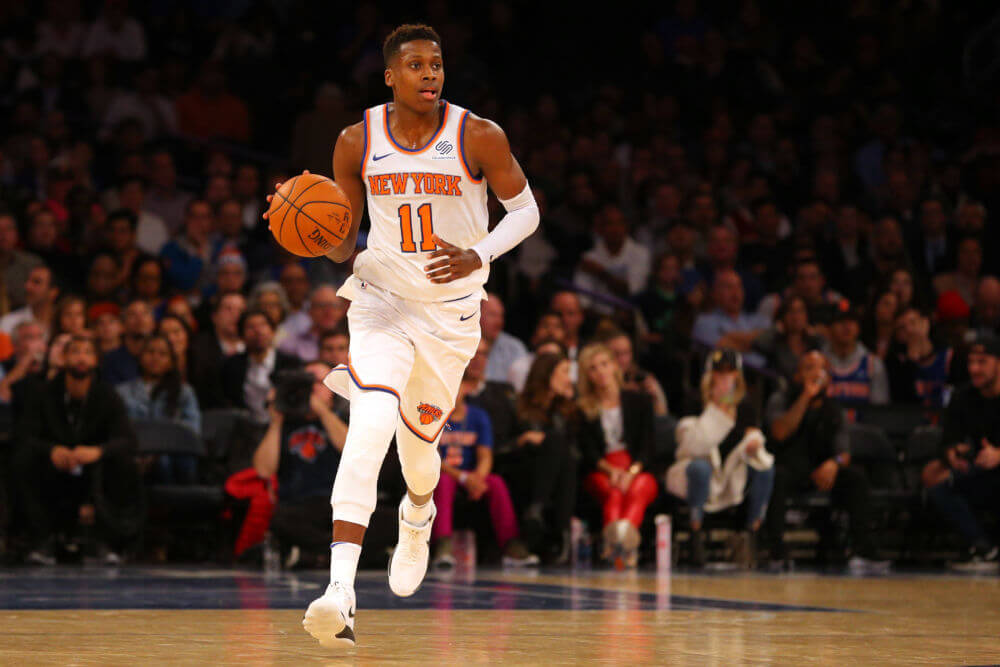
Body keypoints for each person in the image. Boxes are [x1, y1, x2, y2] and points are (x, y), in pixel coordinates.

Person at [270, 24, 540, 648]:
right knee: (370, 421)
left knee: (420, 455)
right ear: (390, 75)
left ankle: (417, 514)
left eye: (436, 64)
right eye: (416, 65)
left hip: (450, 315)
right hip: (381, 299)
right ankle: (340, 591)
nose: (429, 74)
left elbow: (526, 210)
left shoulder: (478, 134)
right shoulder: (356, 140)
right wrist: (303, 222)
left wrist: (479, 253)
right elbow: (343, 240)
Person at [12, 335, 140, 565]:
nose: (81, 358)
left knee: (122, 462)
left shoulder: (107, 395)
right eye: (75, 351)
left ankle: (102, 541)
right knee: (23, 459)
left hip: (92, 467)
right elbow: (23, 436)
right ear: (63, 358)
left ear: (96, 361)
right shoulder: (43, 393)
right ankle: (42, 540)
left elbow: (127, 439)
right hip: (52, 466)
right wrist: (51, 450)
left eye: (88, 352)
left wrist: (98, 451)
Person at [764, 351, 890, 574]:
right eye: (809, 368)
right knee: (775, 476)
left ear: (829, 378)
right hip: (789, 469)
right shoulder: (781, 399)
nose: (816, 374)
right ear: (797, 376)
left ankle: (863, 551)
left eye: (822, 369)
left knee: (856, 478)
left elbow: (844, 453)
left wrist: (834, 463)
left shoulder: (834, 409)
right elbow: (780, 432)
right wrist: (805, 397)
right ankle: (776, 552)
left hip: (821, 472)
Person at [666, 349, 774, 568]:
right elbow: (692, 445)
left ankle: (750, 535)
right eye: (719, 372)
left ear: (737, 375)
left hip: (733, 471)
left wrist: (753, 444)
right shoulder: (695, 401)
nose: (724, 377)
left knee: (765, 469)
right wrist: (717, 411)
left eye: (729, 371)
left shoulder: (745, 406)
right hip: (700, 467)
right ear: (710, 374)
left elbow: (752, 435)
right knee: (700, 468)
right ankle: (695, 535)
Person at [431, 371, 538, 569]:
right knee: (443, 481)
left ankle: (511, 544)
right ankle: (443, 545)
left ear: (466, 387)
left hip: (473, 476)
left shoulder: (478, 416)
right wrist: (464, 478)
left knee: (496, 482)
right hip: (446, 474)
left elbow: (485, 455)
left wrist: (477, 480)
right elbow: (433, 459)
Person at [252, 362, 349, 568]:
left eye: (319, 383)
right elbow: (263, 470)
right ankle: (339, 555)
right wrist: (276, 421)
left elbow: (351, 449)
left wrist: (323, 413)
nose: (313, 389)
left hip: (338, 505)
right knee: (278, 520)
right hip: (298, 506)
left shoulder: (342, 419)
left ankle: (311, 556)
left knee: (389, 520)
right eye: (307, 384)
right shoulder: (283, 425)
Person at [922, 334, 1000, 571]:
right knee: (936, 480)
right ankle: (984, 548)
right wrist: (952, 454)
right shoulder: (963, 396)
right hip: (980, 472)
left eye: (982, 362)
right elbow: (946, 442)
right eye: (971, 362)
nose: (974, 369)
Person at [576, 344, 658, 568]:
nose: (600, 371)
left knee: (638, 488)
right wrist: (611, 471)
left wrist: (631, 472)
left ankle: (617, 545)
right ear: (587, 376)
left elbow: (648, 447)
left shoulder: (639, 401)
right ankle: (622, 548)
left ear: (614, 366)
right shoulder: (584, 409)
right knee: (613, 492)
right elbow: (588, 451)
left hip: (636, 467)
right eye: (593, 368)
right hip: (602, 469)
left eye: (604, 364)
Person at [116, 334, 201, 483]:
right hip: (134, 452)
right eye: (150, 352)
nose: (155, 358)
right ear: (140, 357)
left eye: (162, 354)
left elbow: (192, 431)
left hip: (173, 455)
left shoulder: (184, 392)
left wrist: (157, 453)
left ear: (171, 362)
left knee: (166, 461)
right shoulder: (122, 392)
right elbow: (117, 429)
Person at [221, 309, 301, 422]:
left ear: (273, 331)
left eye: (263, 325)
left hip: (284, 423)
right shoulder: (231, 365)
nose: (258, 331)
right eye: (251, 327)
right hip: (244, 424)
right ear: (241, 335)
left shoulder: (291, 364)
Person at [824, 300, 889, 420]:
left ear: (858, 327)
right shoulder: (818, 362)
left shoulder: (872, 363)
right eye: (840, 321)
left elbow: (879, 412)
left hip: (864, 429)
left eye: (852, 321)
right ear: (829, 328)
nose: (847, 326)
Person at [277, 285, 347, 362]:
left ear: (342, 311)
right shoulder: (291, 346)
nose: (328, 312)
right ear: (310, 310)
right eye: (321, 306)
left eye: (334, 306)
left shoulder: (355, 343)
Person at [100, 299, 155, 385]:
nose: (140, 319)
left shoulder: (163, 357)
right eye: (133, 314)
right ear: (123, 324)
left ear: (153, 323)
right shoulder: (111, 360)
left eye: (145, 313)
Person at [480, 292, 528, 383]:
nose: (499, 322)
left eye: (501, 316)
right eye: (492, 315)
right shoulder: (460, 344)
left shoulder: (514, 348)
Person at [0, 265, 58, 338]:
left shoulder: (63, 322)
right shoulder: (9, 323)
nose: (28, 286)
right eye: (27, 281)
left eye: (37, 282)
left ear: (53, 292)